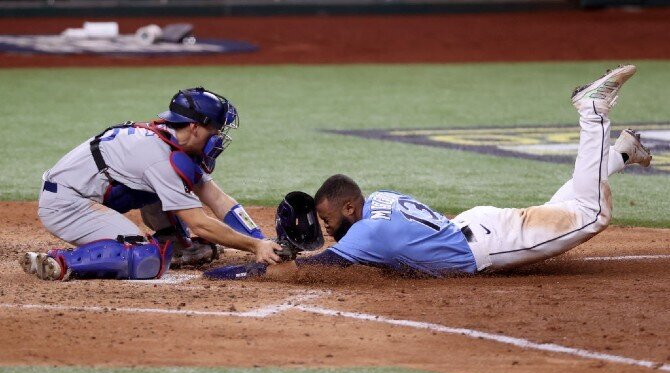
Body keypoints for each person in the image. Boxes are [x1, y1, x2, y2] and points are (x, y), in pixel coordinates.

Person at [207, 64, 652, 279]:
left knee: (588, 213)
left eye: (329, 220)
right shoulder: (379, 198)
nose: (327, 228)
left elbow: (311, 271)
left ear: (349, 206)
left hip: (490, 242)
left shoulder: (367, 235)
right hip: (479, 227)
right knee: (568, 206)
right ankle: (621, 155)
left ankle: (593, 114)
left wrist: (245, 266)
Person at [22, 87, 282, 281]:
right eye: (215, 130)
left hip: (88, 194)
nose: (218, 136)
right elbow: (199, 222)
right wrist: (254, 247)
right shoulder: (159, 158)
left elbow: (218, 199)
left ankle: (176, 243)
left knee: (165, 194)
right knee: (145, 257)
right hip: (66, 204)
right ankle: (59, 262)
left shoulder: (173, 142)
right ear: (194, 127)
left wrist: (261, 241)